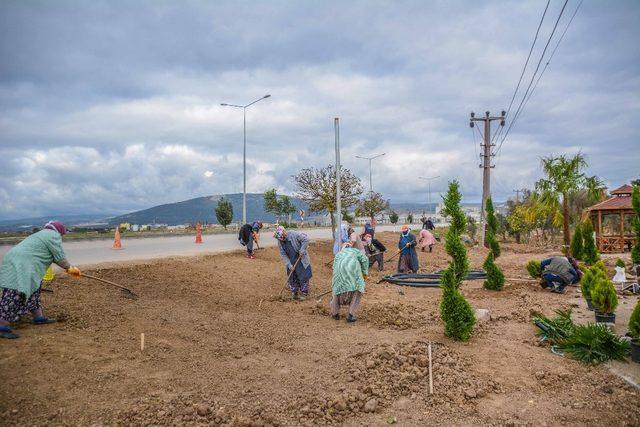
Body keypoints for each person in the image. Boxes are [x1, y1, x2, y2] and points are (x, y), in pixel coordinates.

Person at [0, 221, 81, 339]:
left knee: (34, 288)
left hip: (17, 260)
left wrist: (68, 268)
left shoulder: (41, 234)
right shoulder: (53, 235)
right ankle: (2, 325)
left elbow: (51, 255)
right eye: (62, 235)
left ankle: (38, 317)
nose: (61, 237)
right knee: (16, 292)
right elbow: (59, 257)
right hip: (23, 264)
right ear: (59, 231)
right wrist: (71, 269)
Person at [330, 241, 369, 322]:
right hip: (354, 276)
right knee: (358, 290)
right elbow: (365, 259)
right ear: (350, 247)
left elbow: (333, 268)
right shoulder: (355, 251)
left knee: (336, 291)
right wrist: (364, 273)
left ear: (343, 248)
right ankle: (351, 315)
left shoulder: (338, 254)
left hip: (338, 277)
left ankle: (335, 313)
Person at [274, 226, 313, 300]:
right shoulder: (280, 241)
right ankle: (294, 292)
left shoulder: (294, 234)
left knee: (303, 275)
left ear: (284, 233)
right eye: (280, 238)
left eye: (282, 237)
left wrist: (302, 249)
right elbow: (283, 254)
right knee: (292, 276)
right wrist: (289, 265)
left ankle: (304, 293)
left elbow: (306, 239)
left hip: (301, 259)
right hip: (291, 260)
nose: (282, 239)